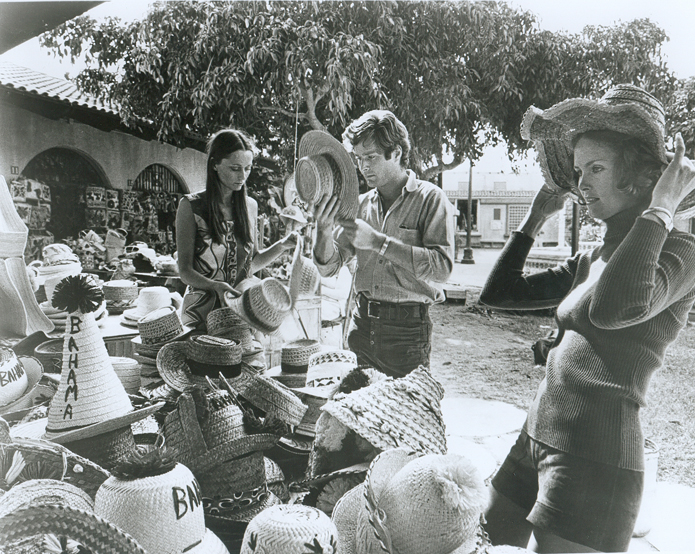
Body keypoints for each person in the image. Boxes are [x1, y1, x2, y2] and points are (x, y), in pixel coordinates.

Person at [479, 84, 695, 553]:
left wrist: (661, 208)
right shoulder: (591, 255)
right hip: (534, 438)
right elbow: (500, 294)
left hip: (596, 460)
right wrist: (535, 217)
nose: (581, 184)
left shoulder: (680, 251)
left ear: (639, 177)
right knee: (479, 542)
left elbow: (616, 308)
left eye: (595, 169)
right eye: (578, 172)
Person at [312, 110, 455, 377]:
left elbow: (442, 268)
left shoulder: (430, 199)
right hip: (361, 327)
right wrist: (322, 231)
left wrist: (378, 243)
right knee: (358, 416)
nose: (363, 167)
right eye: (358, 158)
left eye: (371, 157)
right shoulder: (360, 204)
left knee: (405, 415)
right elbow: (328, 267)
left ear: (397, 152)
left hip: (408, 334)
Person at [176, 129, 297, 331]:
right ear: (214, 164)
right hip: (199, 314)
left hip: (239, 314)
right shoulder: (191, 206)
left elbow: (251, 264)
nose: (242, 176)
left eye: (247, 168)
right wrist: (214, 285)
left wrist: (282, 245)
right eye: (235, 168)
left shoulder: (250, 206)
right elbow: (185, 271)